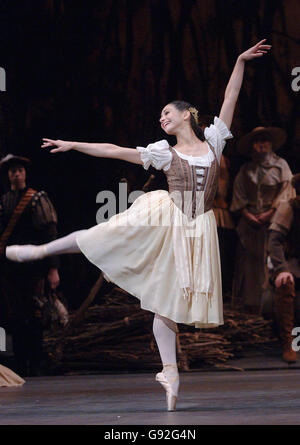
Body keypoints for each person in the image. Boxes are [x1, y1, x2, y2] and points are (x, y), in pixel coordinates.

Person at [6, 40, 271, 410]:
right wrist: (73, 144)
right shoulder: (164, 152)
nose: (161, 118)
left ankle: (170, 373)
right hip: (167, 219)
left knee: (166, 303)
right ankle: (41, 250)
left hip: (198, 232)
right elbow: (115, 149)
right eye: (160, 115)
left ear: (185, 115)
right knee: (102, 236)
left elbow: (231, 94)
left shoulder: (213, 143)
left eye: (167, 113)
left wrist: (240, 60)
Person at [0, 154, 60, 376]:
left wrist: (53, 268)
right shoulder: (4, 201)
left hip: (34, 266)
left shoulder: (37, 199)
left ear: (25, 174)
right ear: (8, 175)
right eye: (12, 171)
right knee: (14, 315)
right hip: (9, 267)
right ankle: (20, 362)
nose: (15, 174)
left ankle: (36, 361)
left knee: (35, 313)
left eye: (19, 170)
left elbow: (50, 234)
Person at [230, 127, 295, 314]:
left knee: (270, 260)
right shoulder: (247, 169)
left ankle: (270, 307)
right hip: (250, 223)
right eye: (258, 141)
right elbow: (239, 193)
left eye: (265, 140)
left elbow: (287, 191)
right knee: (250, 264)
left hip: (273, 220)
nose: (262, 145)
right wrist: (246, 214)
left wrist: (272, 212)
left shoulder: (280, 165)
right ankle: (249, 306)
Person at [267, 173, 300, 363]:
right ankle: (288, 343)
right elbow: (274, 242)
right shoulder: (290, 207)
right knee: (286, 283)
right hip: (291, 263)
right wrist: (281, 268)